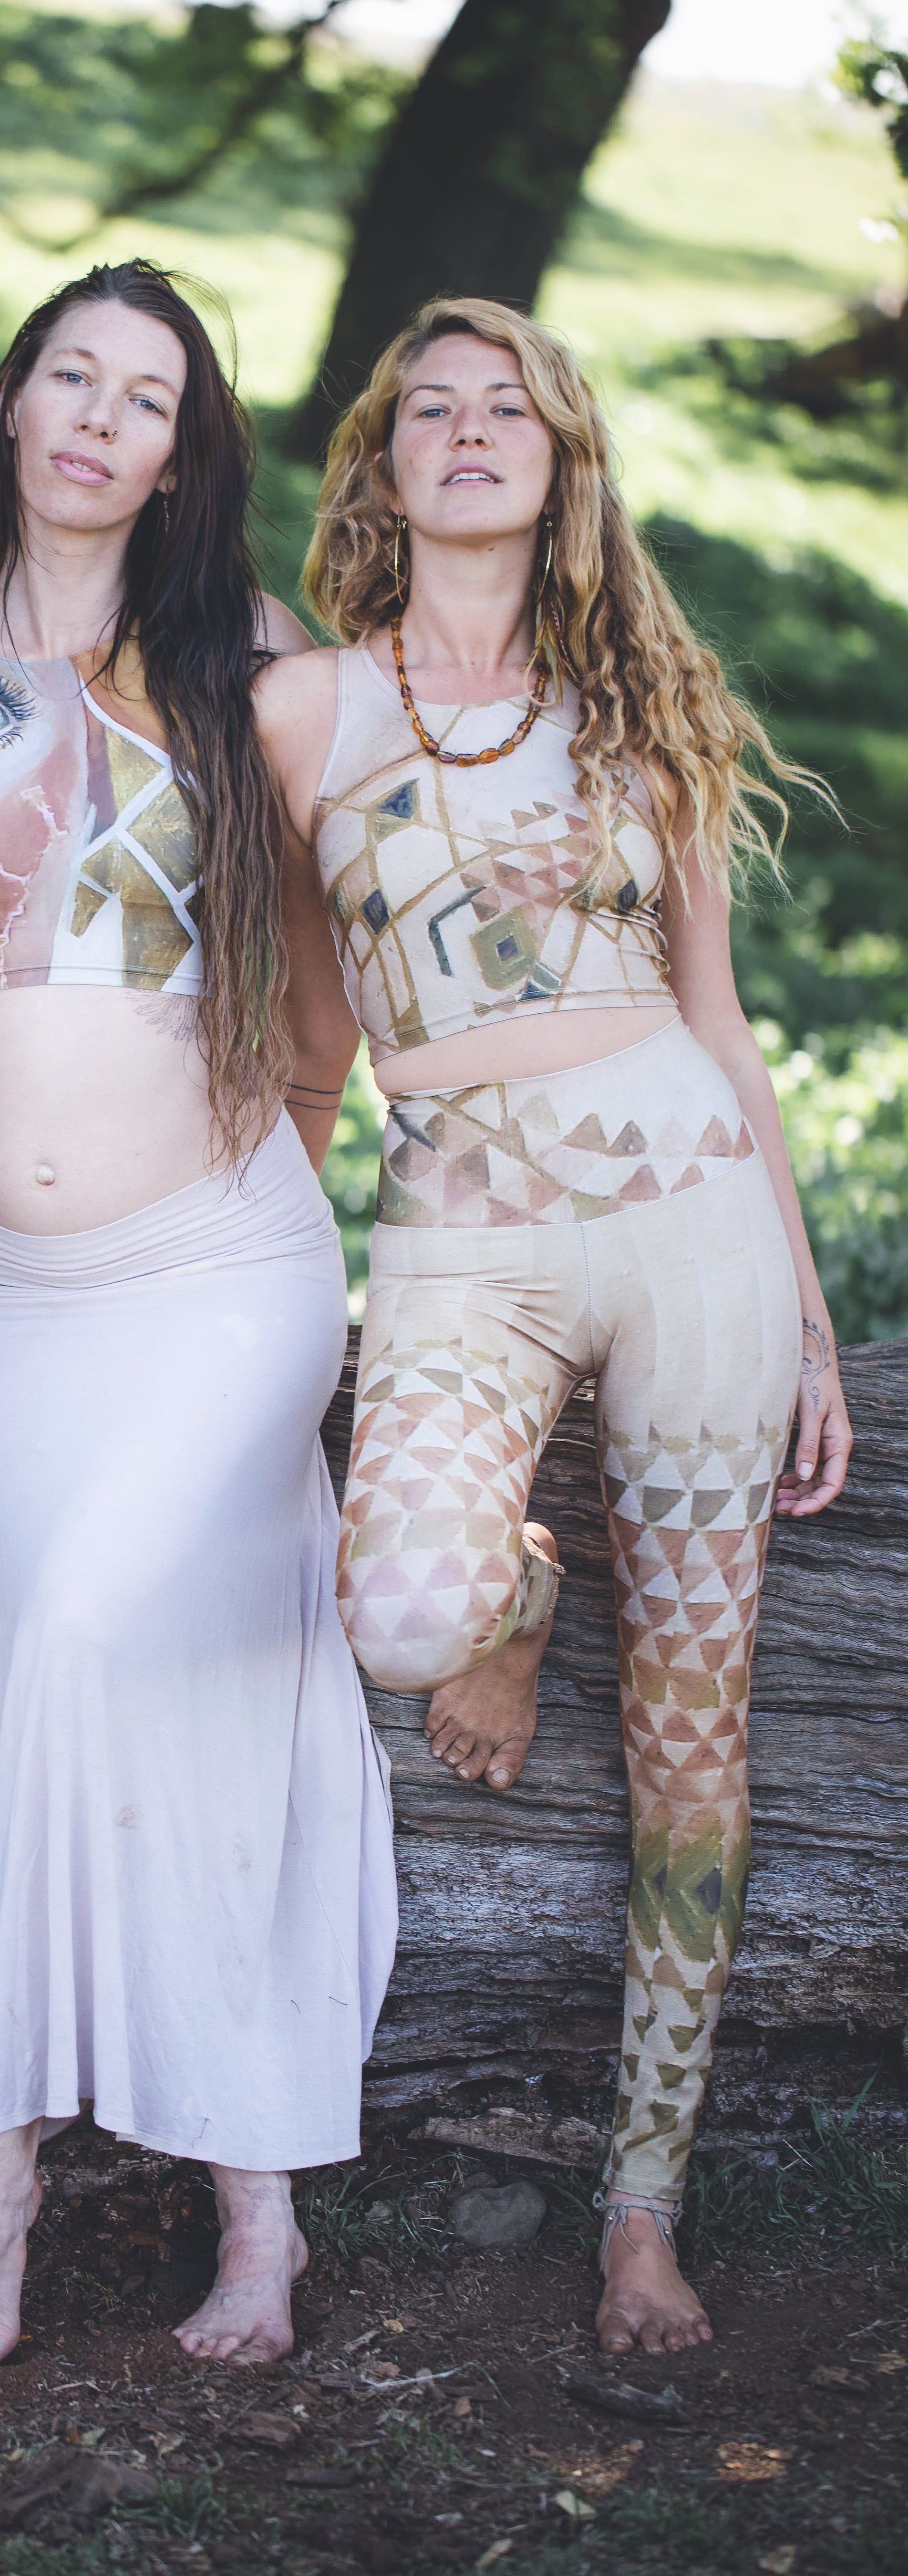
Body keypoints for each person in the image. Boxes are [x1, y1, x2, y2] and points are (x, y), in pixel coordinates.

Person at [258, 296, 850, 2358]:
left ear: (564, 458)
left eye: (510, 407)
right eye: (432, 409)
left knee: (695, 1743)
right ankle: (515, 1587)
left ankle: (642, 2208)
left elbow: (721, 1018)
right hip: (462, 1242)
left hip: (692, 1223)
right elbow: (312, 1037)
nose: (472, 431)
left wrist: (804, 1294)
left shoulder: (642, 710)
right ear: (383, 467)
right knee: (398, 1612)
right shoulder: (306, 712)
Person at [0, 259, 398, 2374]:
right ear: (11, 401)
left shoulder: (251, 658)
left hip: (217, 1273)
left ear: (186, 453)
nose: (101, 418)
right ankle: (259, 2213)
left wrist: (296, 1116)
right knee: (102, 1700)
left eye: (150, 397)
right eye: (71, 376)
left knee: (91, 1645)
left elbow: (351, 936)